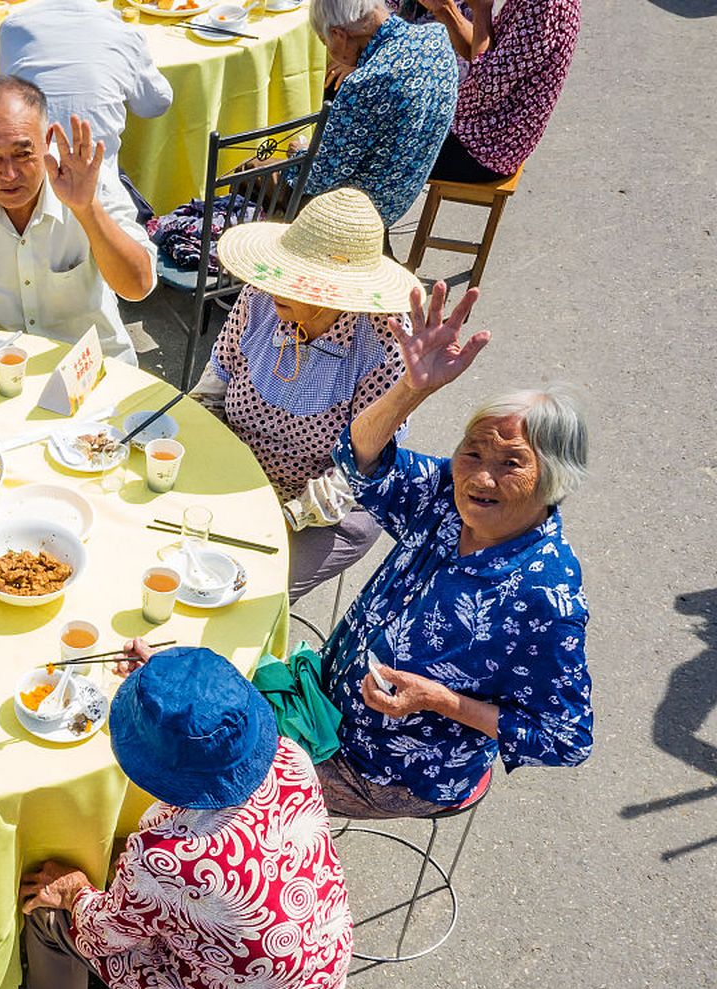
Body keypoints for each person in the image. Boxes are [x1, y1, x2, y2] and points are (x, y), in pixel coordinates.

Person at [316, 281, 593, 818]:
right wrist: (412, 390)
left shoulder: (544, 594)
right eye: (472, 452)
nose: (479, 477)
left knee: (220, 769)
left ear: (555, 479)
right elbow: (359, 459)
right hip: (326, 707)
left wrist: (438, 700)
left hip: (388, 771)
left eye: (511, 462)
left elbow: (566, 738)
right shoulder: (448, 492)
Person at [19, 647, 352, 989]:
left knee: (50, 916)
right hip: (320, 974)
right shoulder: (291, 757)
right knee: (140, 886)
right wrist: (173, 694)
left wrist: (74, 892)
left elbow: (102, 935)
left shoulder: (166, 860)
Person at [195, 189, 417, 600]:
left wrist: (281, 517)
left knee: (251, 592)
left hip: (321, 512)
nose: (275, 285)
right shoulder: (261, 298)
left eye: (295, 279)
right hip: (237, 475)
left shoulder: (383, 344)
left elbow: (358, 470)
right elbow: (214, 387)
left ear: (334, 292)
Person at [0, 76, 156, 364]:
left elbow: (138, 286)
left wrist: (87, 209)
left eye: (22, 155)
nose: (9, 174)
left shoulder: (88, 183)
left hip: (91, 366)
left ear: (46, 142)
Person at [0, 0, 171, 218]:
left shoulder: (11, 28)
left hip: (22, 189)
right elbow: (156, 104)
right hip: (97, 196)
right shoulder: (125, 34)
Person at [305, 0, 458, 232]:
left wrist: (297, 153)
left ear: (338, 34)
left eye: (324, 41)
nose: (329, 49)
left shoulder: (364, 82)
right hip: (399, 197)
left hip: (355, 215)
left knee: (251, 170)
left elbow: (318, 180)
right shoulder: (437, 38)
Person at [421, 0, 581, 184]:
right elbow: (480, 53)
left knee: (385, 143)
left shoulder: (543, 7)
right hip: (476, 127)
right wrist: (446, 11)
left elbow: (486, 85)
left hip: (483, 149)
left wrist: (481, 10)